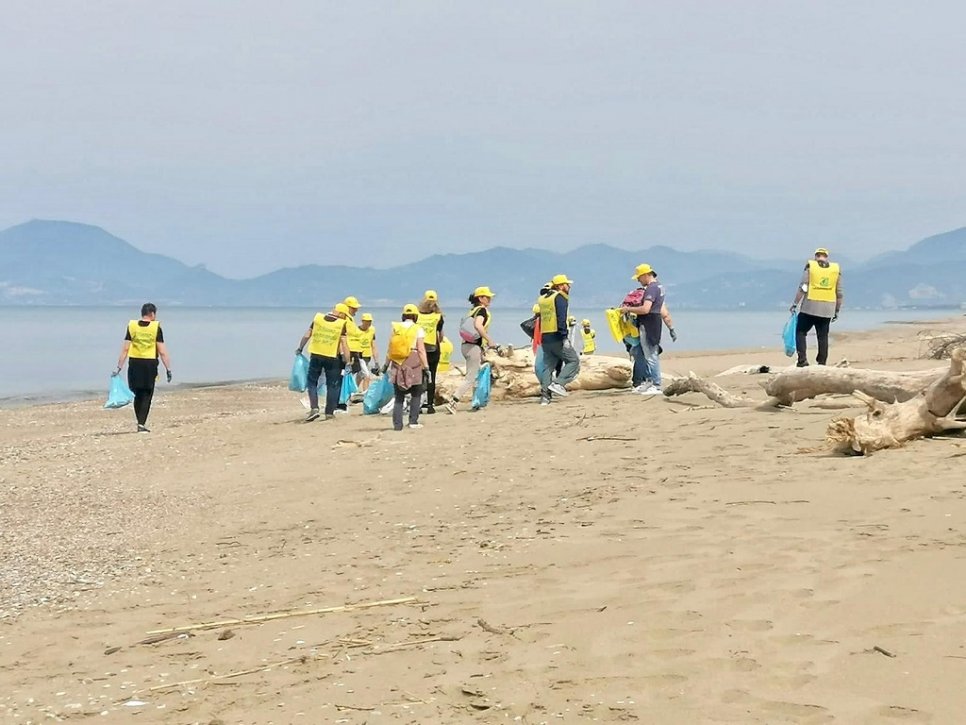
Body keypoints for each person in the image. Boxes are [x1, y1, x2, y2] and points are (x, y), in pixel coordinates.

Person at [114, 302, 172, 432]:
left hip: (134, 363)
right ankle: (141, 423)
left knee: (137, 393)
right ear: (152, 314)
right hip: (149, 364)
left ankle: (139, 421)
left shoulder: (132, 326)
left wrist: (118, 367)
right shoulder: (156, 328)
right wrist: (168, 369)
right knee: (147, 393)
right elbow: (162, 351)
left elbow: (125, 349)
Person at [296, 302, 352, 421]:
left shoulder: (318, 319)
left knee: (312, 382)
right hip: (332, 357)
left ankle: (314, 408)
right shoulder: (341, 324)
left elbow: (307, 334)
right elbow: (344, 343)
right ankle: (329, 413)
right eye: (345, 315)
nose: (345, 318)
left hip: (316, 355)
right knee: (333, 385)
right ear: (341, 313)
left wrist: (300, 348)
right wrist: (348, 361)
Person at [445, 286, 497, 413]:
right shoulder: (482, 311)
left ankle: (477, 402)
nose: (489, 299)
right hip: (473, 347)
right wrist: (489, 340)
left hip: (466, 345)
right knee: (471, 377)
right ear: (480, 298)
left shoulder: (472, 311)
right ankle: (454, 401)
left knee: (478, 373)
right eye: (487, 297)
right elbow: (478, 325)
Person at [790, 247, 843, 367]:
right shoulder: (835, 269)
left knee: (800, 331)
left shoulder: (811, 266)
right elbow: (839, 293)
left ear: (816, 256)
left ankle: (802, 360)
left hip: (809, 307)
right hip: (827, 309)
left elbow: (803, 287)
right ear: (826, 257)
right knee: (823, 336)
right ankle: (822, 362)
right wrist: (837, 311)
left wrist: (795, 303)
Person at [620, 264, 666, 395]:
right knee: (648, 353)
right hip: (654, 321)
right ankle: (649, 382)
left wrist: (628, 309)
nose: (638, 281)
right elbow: (662, 309)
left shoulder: (651, 289)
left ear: (646, 275)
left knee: (650, 355)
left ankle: (656, 384)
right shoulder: (659, 287)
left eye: (639, 278)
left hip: (648, 323)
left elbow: (646, 309)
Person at [538, 274, 580, 405]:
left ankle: (545, 397)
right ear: (561, 286)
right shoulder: (560, 297)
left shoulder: (543, 299)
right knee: (573, 361)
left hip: (545, 337)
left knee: (548, 367)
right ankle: (559, 383)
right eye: (567, 284)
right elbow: (561, 318)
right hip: (557, 336)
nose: (569, 287)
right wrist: (564, 337)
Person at [387, 304, 430, 430]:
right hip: (413, 360)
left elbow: (390, 348)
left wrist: (385, 365)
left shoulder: (396, 328)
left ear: (403, 315)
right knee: (416, 393)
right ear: (416, 316)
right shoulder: (418, 329)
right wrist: (426, 366)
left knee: (399, 396)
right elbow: (421, 350)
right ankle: (413, 421)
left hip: (397, 360)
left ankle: (397, 425)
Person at [416, 290, 445, 414]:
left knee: (418, 377)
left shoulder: (416, 315)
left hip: (418, 349)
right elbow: (441, 336)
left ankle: (417, 403)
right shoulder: (438, 316)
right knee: (431, 376)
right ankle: (430, 405)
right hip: (433, 349)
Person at [339, 295, 365, 410]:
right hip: (349, 351)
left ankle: (348, 398)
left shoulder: (350, 319)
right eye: (354, 308)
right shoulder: (344, 319)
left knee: (356, 373)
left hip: (354, 350)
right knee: (347, 375)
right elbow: (342, 337)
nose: (356, 310)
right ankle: (343, 400)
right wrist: (343, 354)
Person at [357, 313, 379, 392]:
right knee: (366, 375)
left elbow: (373, 345)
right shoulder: (356, 330)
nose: (368, 323)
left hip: (367, 356)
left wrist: (376, 362)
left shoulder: (372, 330)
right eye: (366, 321)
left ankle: (353, 391)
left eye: (370, 321)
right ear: (362, 321)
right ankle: (365, 393)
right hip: (358, 356)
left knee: (360, 375)